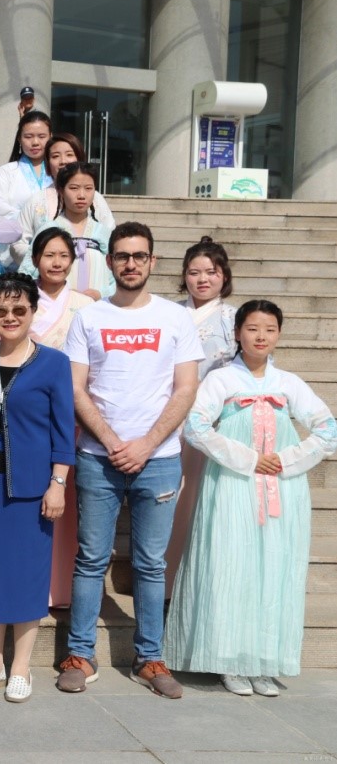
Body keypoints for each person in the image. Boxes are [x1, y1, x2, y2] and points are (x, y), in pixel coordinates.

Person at [56, 221, 203, 700]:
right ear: (110, 261)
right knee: (90, 560)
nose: (131, 263)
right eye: (122, 255)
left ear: (153, 261)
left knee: (150, 563)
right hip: (98, 458)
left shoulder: (176, 318)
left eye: (140, 256)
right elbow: (75, 388)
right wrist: (112, 439)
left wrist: (146, 443)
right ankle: (80, 654)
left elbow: (186, 388)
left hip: (159, 459)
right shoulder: (90, 317)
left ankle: (150, 658)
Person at [164, 300, 337, 697]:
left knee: (273, 569)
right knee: (232, 564)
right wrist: (247, 459)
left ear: (279, 335)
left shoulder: (289, 383)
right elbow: (195, 426)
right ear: (237, 333)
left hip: (281, 488)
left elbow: (328, 428)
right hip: (232, 485)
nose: (261, 336)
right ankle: (230, 660)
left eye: (270, 329)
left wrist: (287, 460)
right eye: (253, 328)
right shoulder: (222, 379)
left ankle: (263, 662)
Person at [0, 272, 75, 704]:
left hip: (31, 488)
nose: (10, 317)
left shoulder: (54, 363)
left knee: (27, 575)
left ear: (33, 311)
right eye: (1, 310)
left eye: (19, 309)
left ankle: (21, 667)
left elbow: (64, 431)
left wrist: (58, 483)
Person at [165, 236, 238, 597]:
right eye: (194, 272)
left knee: (204, 499)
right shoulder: (167, 312)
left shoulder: (234, 318)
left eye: (211, 272)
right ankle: (165, 583)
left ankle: (202, 585)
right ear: (184, 276)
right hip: (167, 417)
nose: (202, 279)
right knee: (170, 498)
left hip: (214, 420)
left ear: (224, 276)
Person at [27, 227, 95, 608]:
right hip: (27, 414)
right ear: (35, 258)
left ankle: (62, 588)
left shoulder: (86, 305)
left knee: (66, 500)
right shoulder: (22, 297)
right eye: (48, 254)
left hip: (72, 413)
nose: (56, 262)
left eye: (63, 255)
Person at [10, 133, 115, 268]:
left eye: (69, 155)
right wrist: (44, 257)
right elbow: (18, 243)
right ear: (47, 164)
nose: (63, 161)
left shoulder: (96, 199)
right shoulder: (36, 200)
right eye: (55, 156)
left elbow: (112, 240)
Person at [19, 162, 115, 301]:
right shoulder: (48, 230)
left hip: (98, 307)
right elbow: (26, 274)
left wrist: (101, 293)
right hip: (55, 307)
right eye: (74, 188)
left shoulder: (103, 232)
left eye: (88, 188)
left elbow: (119, 275)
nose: (81, 195)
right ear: (60, 190)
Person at [0, 110, 52, 219]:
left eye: (41, 136)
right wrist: (31, 219)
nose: (35, 142)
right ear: (19, 139)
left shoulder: (58, 170)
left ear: (50, 137)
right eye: (28, 136)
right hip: (17, 229)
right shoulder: (6, 171)